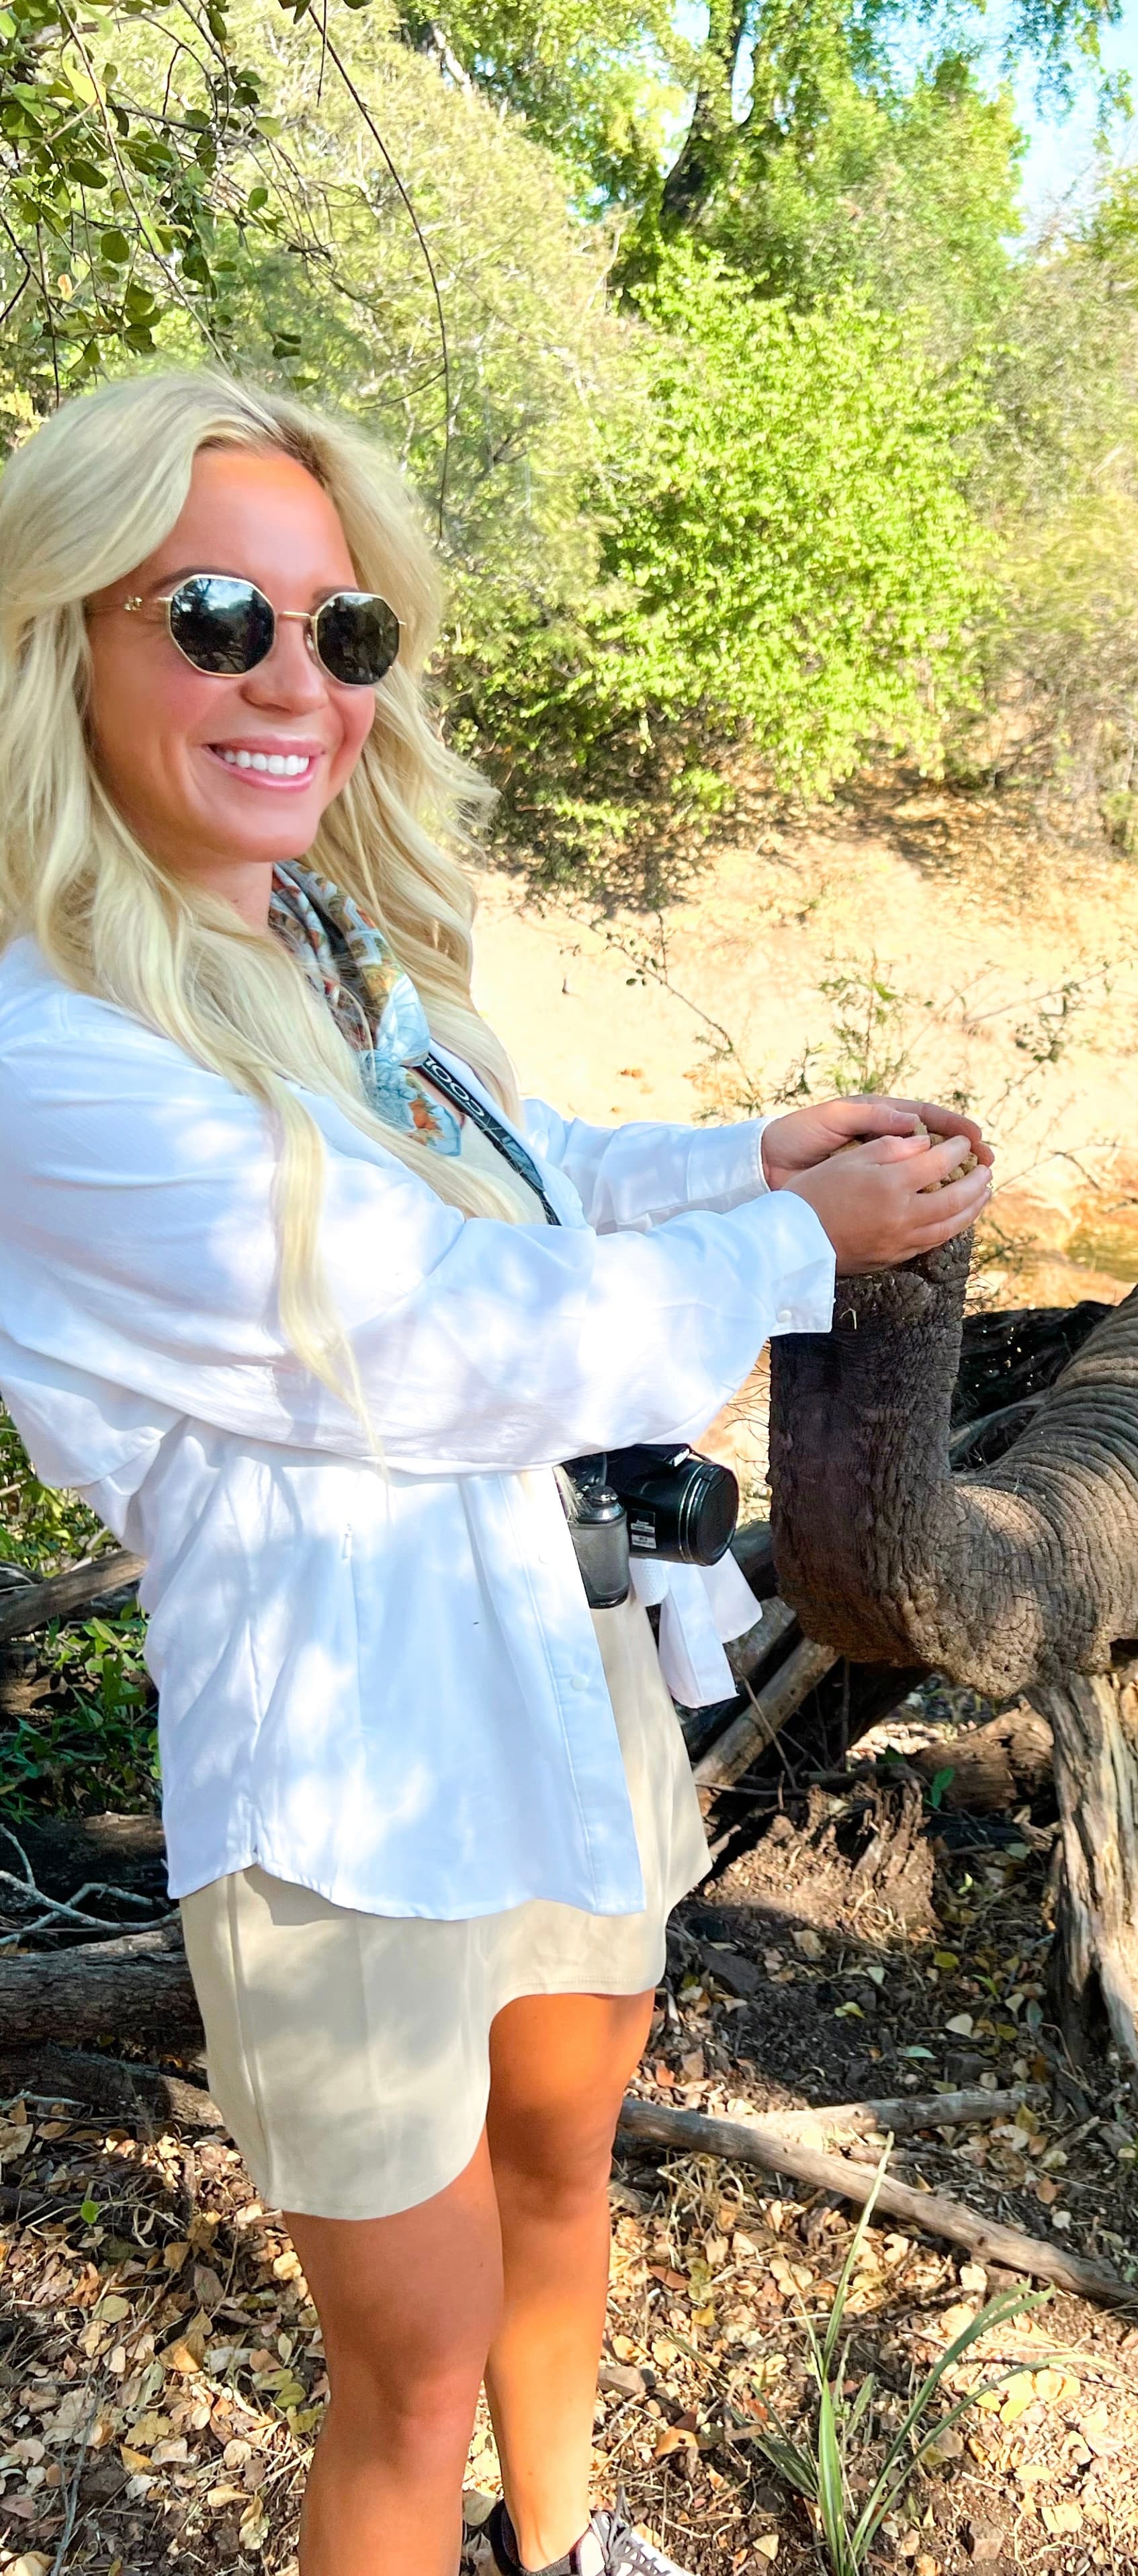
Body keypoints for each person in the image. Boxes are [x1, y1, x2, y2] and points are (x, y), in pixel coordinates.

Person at [0, 370, 992, 2576]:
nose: (296, 683)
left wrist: (748, 1158)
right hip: (351, 1792)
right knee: (410, 2361)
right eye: (217, 615)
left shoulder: (320, 937)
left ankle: (566, 2549)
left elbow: (517, 1191)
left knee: (565, 2176)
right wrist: (789, 1250)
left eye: (343, 635)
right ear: (62, 634)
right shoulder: (51, 1051)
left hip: (564, 1687)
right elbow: (429, 1342)